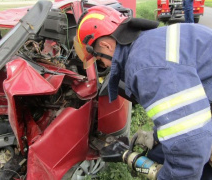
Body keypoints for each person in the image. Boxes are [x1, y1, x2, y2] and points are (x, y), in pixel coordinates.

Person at [73, 5, 212, 180]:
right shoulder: (147, 44)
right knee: (159, 154)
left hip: (199, 127)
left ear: (106, 45)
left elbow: (189, 143)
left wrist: (163, 174)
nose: (103, 67)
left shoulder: (146, 68)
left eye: (99, 60)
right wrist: (155, 137)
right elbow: (178, 106)